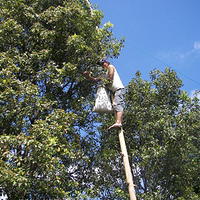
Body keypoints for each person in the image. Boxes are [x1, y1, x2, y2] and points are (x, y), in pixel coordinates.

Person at [83, 58, 125, 129]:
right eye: (100, 64)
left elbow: (110, 77)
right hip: (113, 91)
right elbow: (95, 79)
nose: (102, 65)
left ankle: (118, 122)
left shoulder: (110, 67)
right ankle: (117, 121)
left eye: (103, 63)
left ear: (107, 62)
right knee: (114, 106)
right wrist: (88, 76)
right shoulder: (103, 74)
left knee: (117, 104)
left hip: (119, 89)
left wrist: (105, 83)